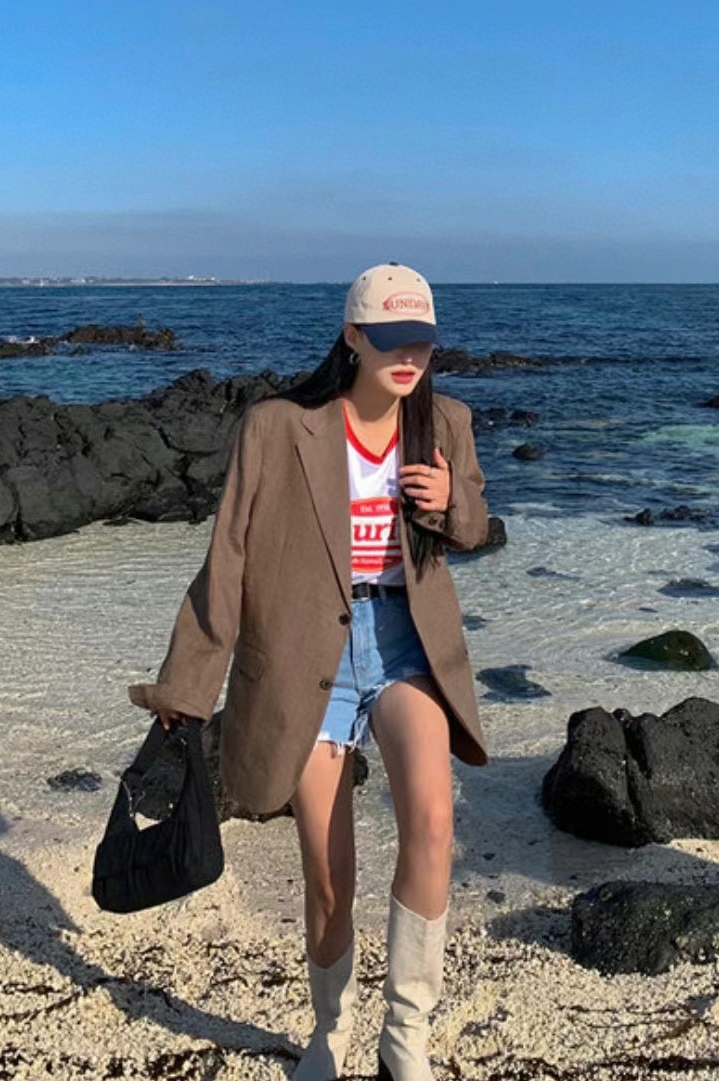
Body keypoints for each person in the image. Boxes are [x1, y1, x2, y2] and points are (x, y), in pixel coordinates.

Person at [128, 262, 490, 1080]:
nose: (409, 358)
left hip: (405, 644)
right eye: (391, 340)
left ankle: (406, 1034)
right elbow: (228, 556)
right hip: (303, 650)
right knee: (329, 873)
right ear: (354, 336)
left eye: (422, 342)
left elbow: (475, 525)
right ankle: (331, 1028)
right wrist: (188, 683)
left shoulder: (446, 422)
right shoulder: (278, 427)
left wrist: (448, 504)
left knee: (433, 821)